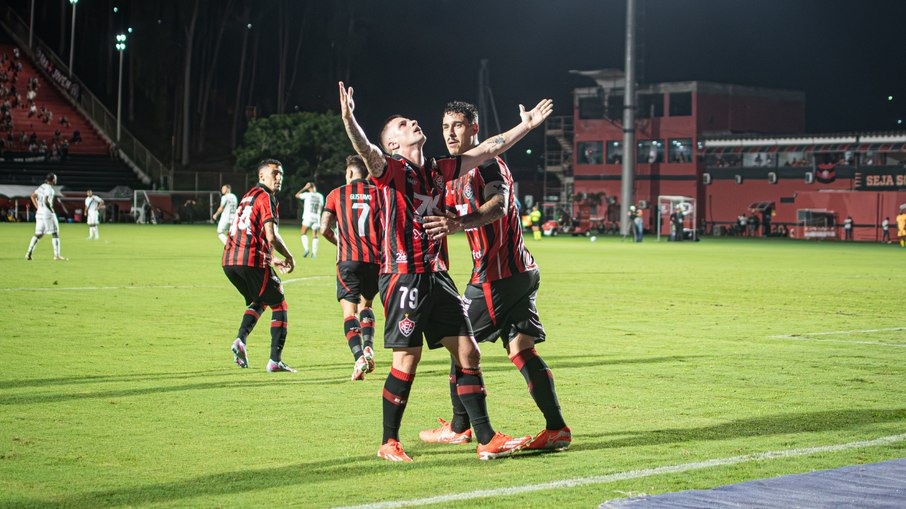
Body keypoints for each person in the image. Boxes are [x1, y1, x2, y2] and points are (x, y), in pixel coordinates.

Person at [338, 81, 552, 462]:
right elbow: (367, 152)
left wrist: (528, 126)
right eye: (403, 124)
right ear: (393, 144)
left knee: (468, 354)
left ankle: (485, 438)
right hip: (403, 275)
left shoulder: (437, 170)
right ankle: (389, 441)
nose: (413, 123)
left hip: (436, 275)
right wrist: (350, 119)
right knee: (408, 359)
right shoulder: (391, 170)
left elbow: (489, 148)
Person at [421, 100, 570, 452]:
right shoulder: (450, 174)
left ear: (474, 128)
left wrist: (458, 223)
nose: (450, 133)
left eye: (458, 125)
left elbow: (497, 206)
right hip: (518, 272)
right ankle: (557, 428)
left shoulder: (486, 164)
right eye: (445, 127)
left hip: (496, 276)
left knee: (460, 345)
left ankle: (461, 427)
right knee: (521, 349)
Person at [222, 159, 297, 372]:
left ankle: (240, 340)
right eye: (275, 173)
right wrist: (289, 256)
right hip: (250, 261)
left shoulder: (247, 197)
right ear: (262, 176)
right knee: (279, 304)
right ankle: (275, 360)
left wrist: (272, 259)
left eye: (281, 174)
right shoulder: (266, 197)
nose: (279, 178)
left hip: (229, 262)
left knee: (261, 299)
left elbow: (250, 233)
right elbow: (271, 236)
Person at [320, 155, 381, 380]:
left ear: (349, 173)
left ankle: (358, 357)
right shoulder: (379, 193)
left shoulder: (336, 194)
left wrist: (340, 242)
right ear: (367, 173)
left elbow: (324, 228)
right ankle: (368, 346)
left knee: (349, 312)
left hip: (348, 259)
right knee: (367, 305)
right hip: (375, 260)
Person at [25, 173, 66, 260]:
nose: (56, 180)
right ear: (53, 180)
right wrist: (51, 210)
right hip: (47, 213)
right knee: (55, 233)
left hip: (39, 213)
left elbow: (32, 196)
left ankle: (28, 253)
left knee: (38, 234)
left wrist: (37, 207)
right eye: (55, 178)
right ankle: (57, 256)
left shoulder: (42, 186)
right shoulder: (49, 189)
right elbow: (46, 200)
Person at [295, 182, 324, 258]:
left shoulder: (307, 195)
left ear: (309, 188)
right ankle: (314, 253)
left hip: (308, 217)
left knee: (303, 233)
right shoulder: (320, 196)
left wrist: (304, 188)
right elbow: (321, 207)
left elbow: (297, 195)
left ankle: (307, 249)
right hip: (317, 217)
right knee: (315, 235)